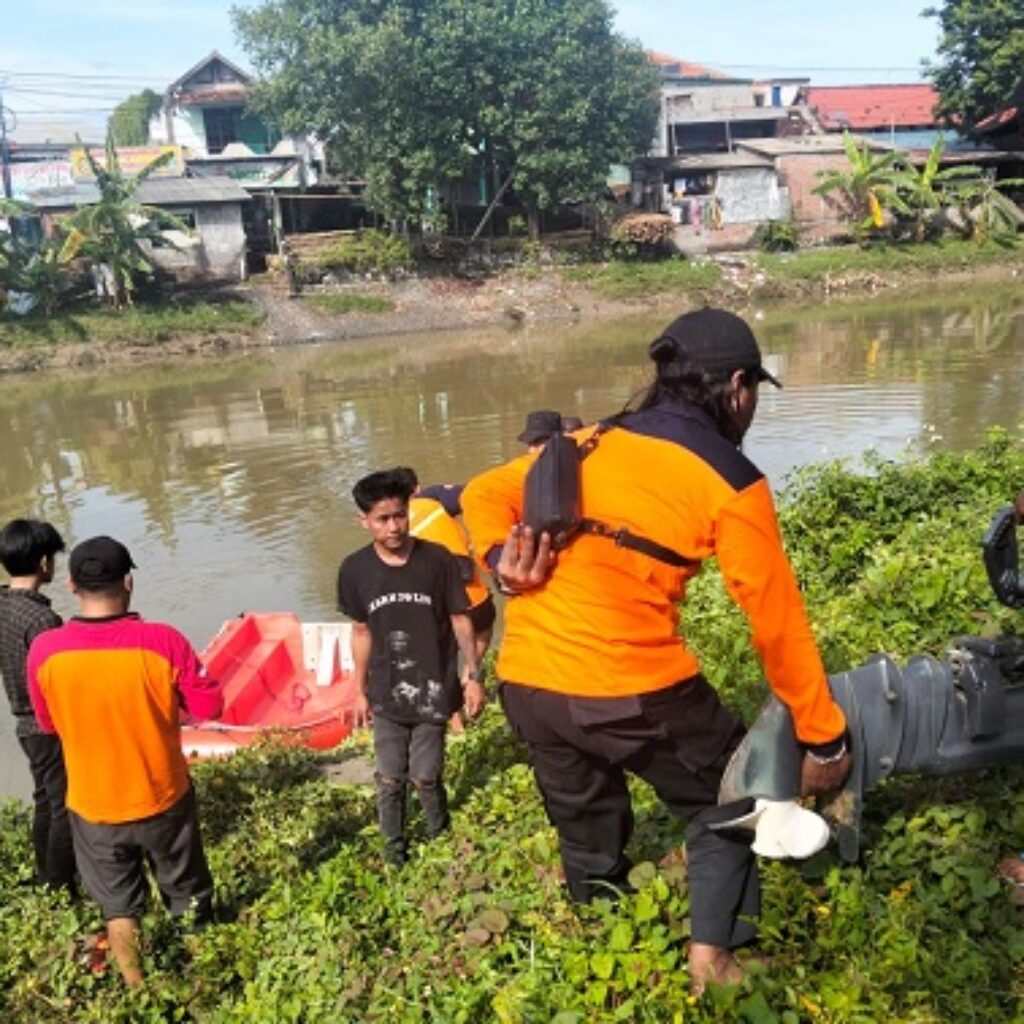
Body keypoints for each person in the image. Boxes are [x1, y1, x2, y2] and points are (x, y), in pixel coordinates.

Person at [461, 308, 851, 993]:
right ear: (737, 387)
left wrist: (501, 558)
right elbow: (777, 625)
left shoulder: (585, 441)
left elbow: (481, 492)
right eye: (754, 391)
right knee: (730, 797)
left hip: (527, 685)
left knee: (585, 816)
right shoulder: (732, 479)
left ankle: (604, 943)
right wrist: (824, 738)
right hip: (633, 690)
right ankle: (716, 959)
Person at [27, 536, 222, 986]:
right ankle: (206, 976)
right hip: (163, 796)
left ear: (72, 584)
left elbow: (48, 722)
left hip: (93, 807)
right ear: (129, 583)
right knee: (187, 892)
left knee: (118, 907)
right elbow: (210, 708)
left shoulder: (45, 651)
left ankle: (139, 992)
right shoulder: (164, 642)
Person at [337, 469, 486, 866]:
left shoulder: (437, 560)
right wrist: (358, 689)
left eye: (399, 515)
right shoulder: (354, 570)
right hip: (385, 692)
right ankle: (394, 857)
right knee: (388, 779)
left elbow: (461, 620)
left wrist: (473, 676)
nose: (393, 527)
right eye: (383, 519)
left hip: (434, 688)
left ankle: (441, 844)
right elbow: (361, 631)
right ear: (364, 521)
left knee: (426, 777)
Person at [0, 518, 76, 893]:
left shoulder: (3, 604)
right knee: (62, 804)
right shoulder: (44, 620)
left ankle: (46, 875)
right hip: (46, 722)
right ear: (43, 562)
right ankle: (60, 883)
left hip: (22, 720)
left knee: (45, 798)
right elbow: (57, 678)